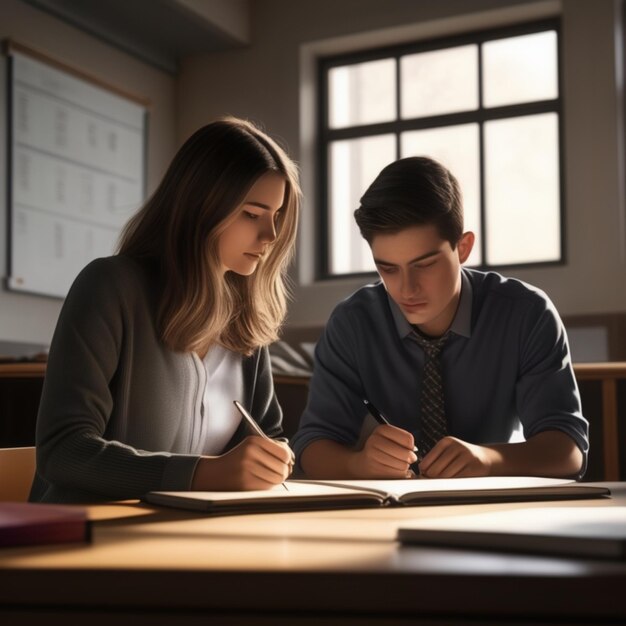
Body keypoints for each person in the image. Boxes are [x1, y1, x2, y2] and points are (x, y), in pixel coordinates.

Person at [30, 116, 301, 503]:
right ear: (201, 207)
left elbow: (268, 437)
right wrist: (202, 473)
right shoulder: (109, 287)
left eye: (276, 217)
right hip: (89, 537)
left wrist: (274, 460)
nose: (270, 236)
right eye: (252, 215)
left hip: (191, 537)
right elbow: (63, 452)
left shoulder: (245, 320)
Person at [291, 156, 588, 481]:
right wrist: (358, 464)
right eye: (388, 268)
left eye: (425, 264)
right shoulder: (353, 323)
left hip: (495, 511)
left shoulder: (527, 314)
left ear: (463, 247)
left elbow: (568, 451)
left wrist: (489, 459)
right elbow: (311, 447)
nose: (407, 288)